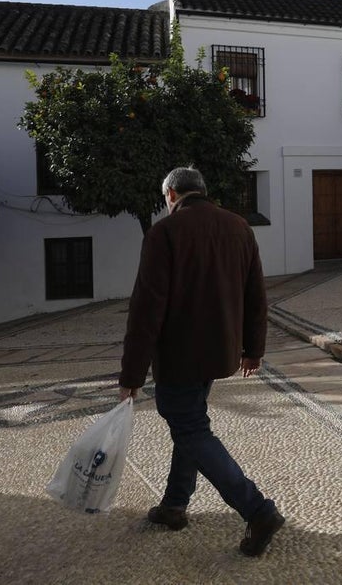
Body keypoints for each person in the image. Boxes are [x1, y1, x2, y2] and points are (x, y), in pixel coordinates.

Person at [118, 166, 284, 557]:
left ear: (172, 195)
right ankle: (175, 504)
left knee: (190, 428)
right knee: (189, 423)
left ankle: (257, 510)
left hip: (179, 357)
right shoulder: (239, 226)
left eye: (166, 200)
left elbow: (146, 310)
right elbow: (256, 295)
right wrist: (253, 350)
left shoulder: (165, 233)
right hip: (218, 352)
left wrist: (131, 374)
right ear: (202, 191)